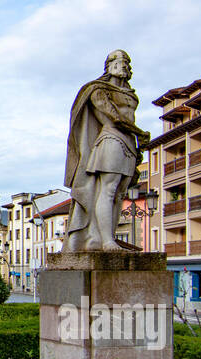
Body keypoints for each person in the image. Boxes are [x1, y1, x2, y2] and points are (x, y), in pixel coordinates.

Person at [64, 50, 151, 252]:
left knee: (120, 193)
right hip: (111, 140)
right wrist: (140, 133)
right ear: (110, 65)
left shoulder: (131, 94)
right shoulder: (97, 90)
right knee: (108, 189)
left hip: (128, 144)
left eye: (127, 63)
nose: (125, 66)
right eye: (120, 62)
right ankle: (106, 242)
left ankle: (106, 237)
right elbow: (114, 117)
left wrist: (138, 141)